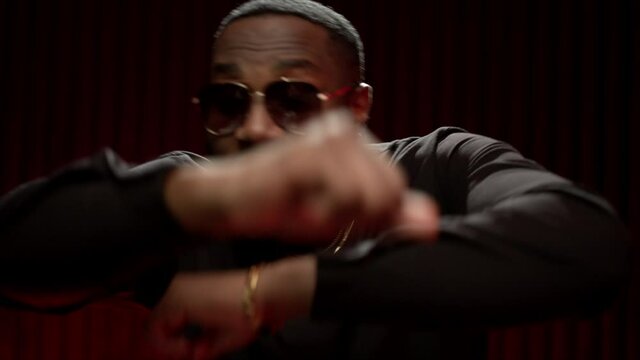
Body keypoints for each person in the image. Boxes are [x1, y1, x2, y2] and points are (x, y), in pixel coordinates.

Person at [0, 1, 628, 360]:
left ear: (355, 109)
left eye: (291, 100)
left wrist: (277, 290)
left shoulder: (441, 163)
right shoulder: (193, 193)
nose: (253, 130)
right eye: (226, 100)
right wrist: (210, 198)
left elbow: (589, 246)